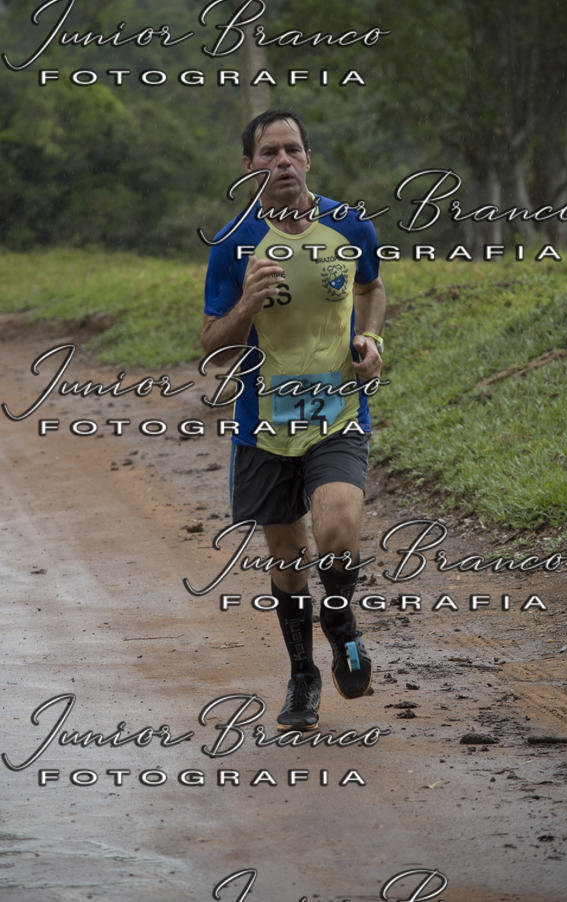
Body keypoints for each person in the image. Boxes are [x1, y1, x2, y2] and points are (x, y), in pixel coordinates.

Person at [201, 109, 386, 731]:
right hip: (264, 425)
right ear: (249, 167)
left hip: (338, 412)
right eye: (269, 153)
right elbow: (213, 346)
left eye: (292, 149)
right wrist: (249, 302)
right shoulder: (232, 247)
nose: (282, 161)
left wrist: (371, 341)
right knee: (286, 557)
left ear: (308, 157)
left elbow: (371, 288)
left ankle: (342, 625)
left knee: (337, 533)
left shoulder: (349, 224)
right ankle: (303, 676)